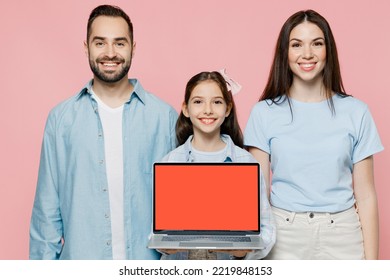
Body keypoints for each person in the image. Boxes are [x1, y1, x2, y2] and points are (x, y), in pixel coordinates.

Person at [29, 5, 177, 260]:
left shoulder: (164, 118)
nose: (110, 53)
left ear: (133, 47)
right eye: (100, 43)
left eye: (120, 43)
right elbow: (46, 216)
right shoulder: (60, 120)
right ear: (86, 47)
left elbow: (181, 210)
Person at [244, 10, 384, 259]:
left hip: (342, 234)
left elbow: (366, 195)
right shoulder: (263, 113)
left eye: (316, 44)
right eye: (296, 44)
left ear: (327, 50)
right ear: (284, 52)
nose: (307, 54)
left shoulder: (356, 111)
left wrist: (372, 268)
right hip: (283, 235)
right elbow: (258, 195)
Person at [160, 70, 275, 260]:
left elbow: (267, 229)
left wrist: (242, 252)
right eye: (198, 101)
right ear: (186, 109)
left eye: (217, 102)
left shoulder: (245, 162)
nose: (208, 110)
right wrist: (165, 244)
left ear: (227, 108)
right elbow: (158, 228)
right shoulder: (171, 161)